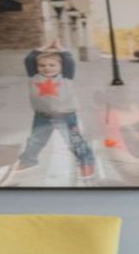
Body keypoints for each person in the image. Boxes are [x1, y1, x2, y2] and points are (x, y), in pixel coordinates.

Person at [16, 45, 97, 179]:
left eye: (52, 65)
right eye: (42, 65)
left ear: (61, 66)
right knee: (35, 140)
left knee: (74, 141)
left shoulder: (65, 77)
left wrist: (60, 48)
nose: (47, 68)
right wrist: (44, 47)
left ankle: (86, 163)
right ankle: (28, 161)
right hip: (42, 116)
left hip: (65, 116)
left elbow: (69, 60)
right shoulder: (34, 77)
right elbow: (29, 59)